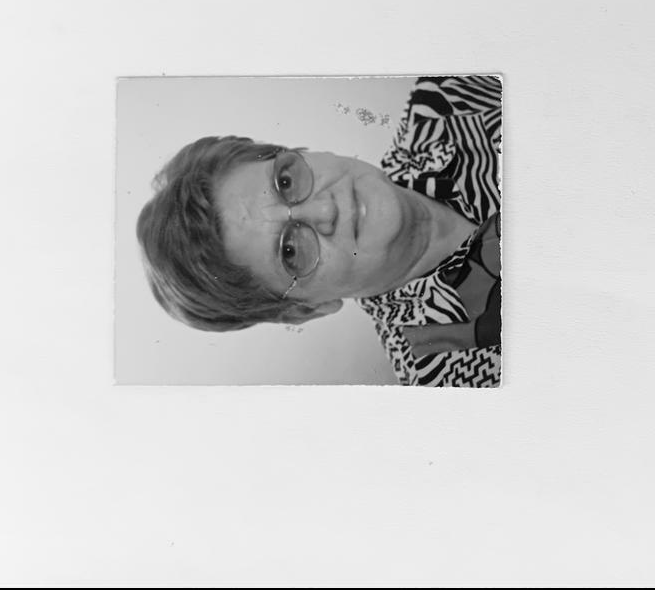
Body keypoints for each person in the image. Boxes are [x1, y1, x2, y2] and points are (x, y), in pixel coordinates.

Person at [136, 74, 501, 388]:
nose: (325, 209)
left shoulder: (445, 97)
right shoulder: (449, 383)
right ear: (309, 308)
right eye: (290, 251)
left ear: (303, 152)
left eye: (285, 182)